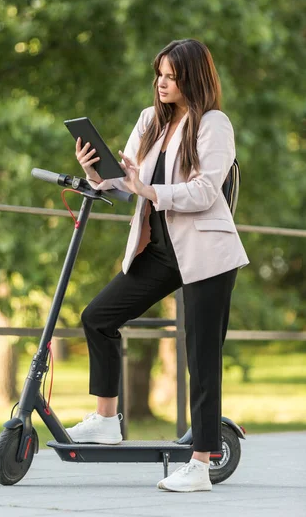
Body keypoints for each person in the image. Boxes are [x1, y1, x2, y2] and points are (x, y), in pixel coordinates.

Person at [66, 38, 249, 493]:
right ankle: (107, 420)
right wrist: (96, 172)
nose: (162, 83)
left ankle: (202, 465)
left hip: (207, 253)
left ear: (192, 78)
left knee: (201, 358)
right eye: (160, 74)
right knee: (98, 317)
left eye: (171, 75)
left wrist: (150, 191)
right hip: (160, 248)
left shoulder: (212, 124)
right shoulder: (150, 121)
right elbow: (126, 186)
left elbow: (206, 191)